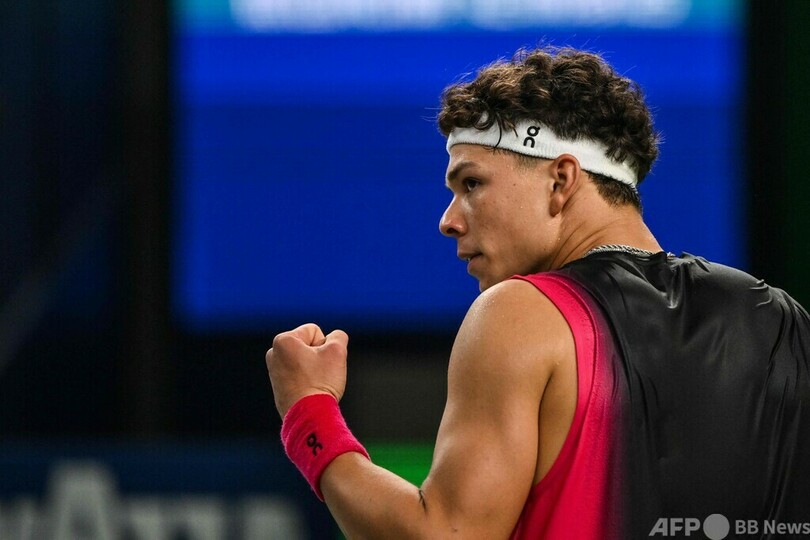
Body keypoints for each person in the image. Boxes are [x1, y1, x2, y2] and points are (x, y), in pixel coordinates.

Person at [265, 47, 810, 538]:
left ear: (561, 180)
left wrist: (309, 413)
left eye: (472, 183)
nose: (448, 221)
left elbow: (445, 535)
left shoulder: (520, 313)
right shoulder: (780, 318)